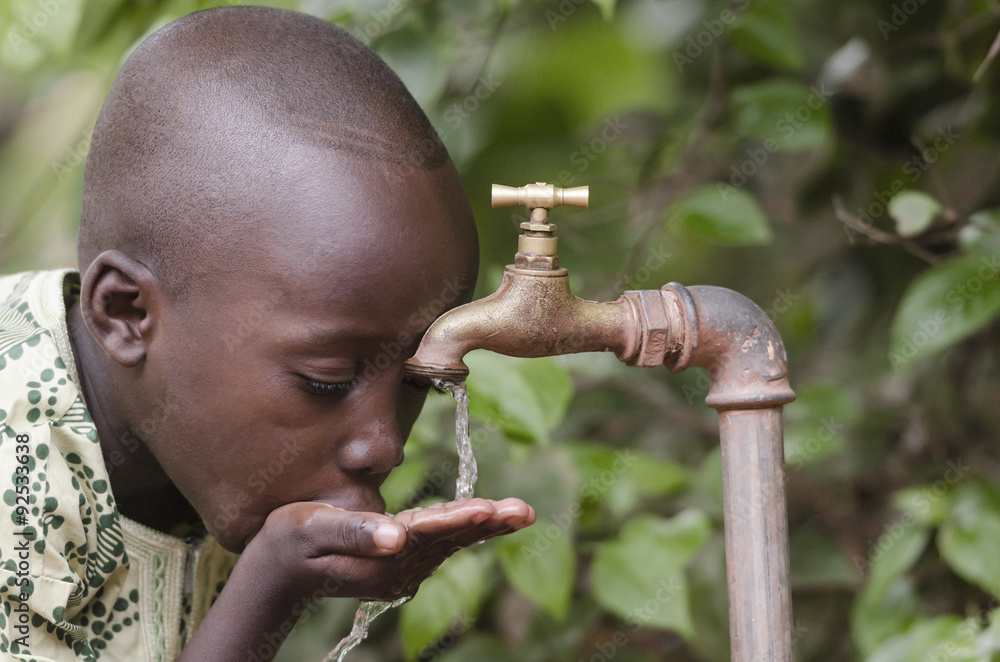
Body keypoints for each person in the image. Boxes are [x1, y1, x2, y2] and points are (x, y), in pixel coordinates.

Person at [0, 6, 535, 661]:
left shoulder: (190, 441)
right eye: (326, 380)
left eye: (415, 382)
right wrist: (270, 589)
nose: (385, 446)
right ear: (126, 314)